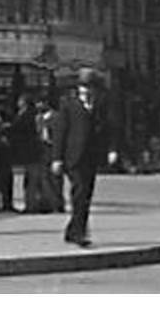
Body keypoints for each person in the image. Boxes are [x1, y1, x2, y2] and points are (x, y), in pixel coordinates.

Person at [50, 69, 109, 247]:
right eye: (84, 87)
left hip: (91, 157)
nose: (88, 91)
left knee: (85, 195)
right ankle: (78, 233)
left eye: (91, 87)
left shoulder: (99, 105)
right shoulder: (68, 105)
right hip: (73, 157)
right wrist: (57, 158)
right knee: (80, 193)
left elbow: (108, 129)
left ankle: (72, 230)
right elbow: (61, 133)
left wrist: (110, 150)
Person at [21, 97, 61, 214]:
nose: (38, 106)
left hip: (51, 148)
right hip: (38, 149)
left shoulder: (56, 117)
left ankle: (56, 204)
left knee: (53, 178)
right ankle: (42, 203)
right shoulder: (37, 118)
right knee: (40, 178)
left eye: (41, 103)